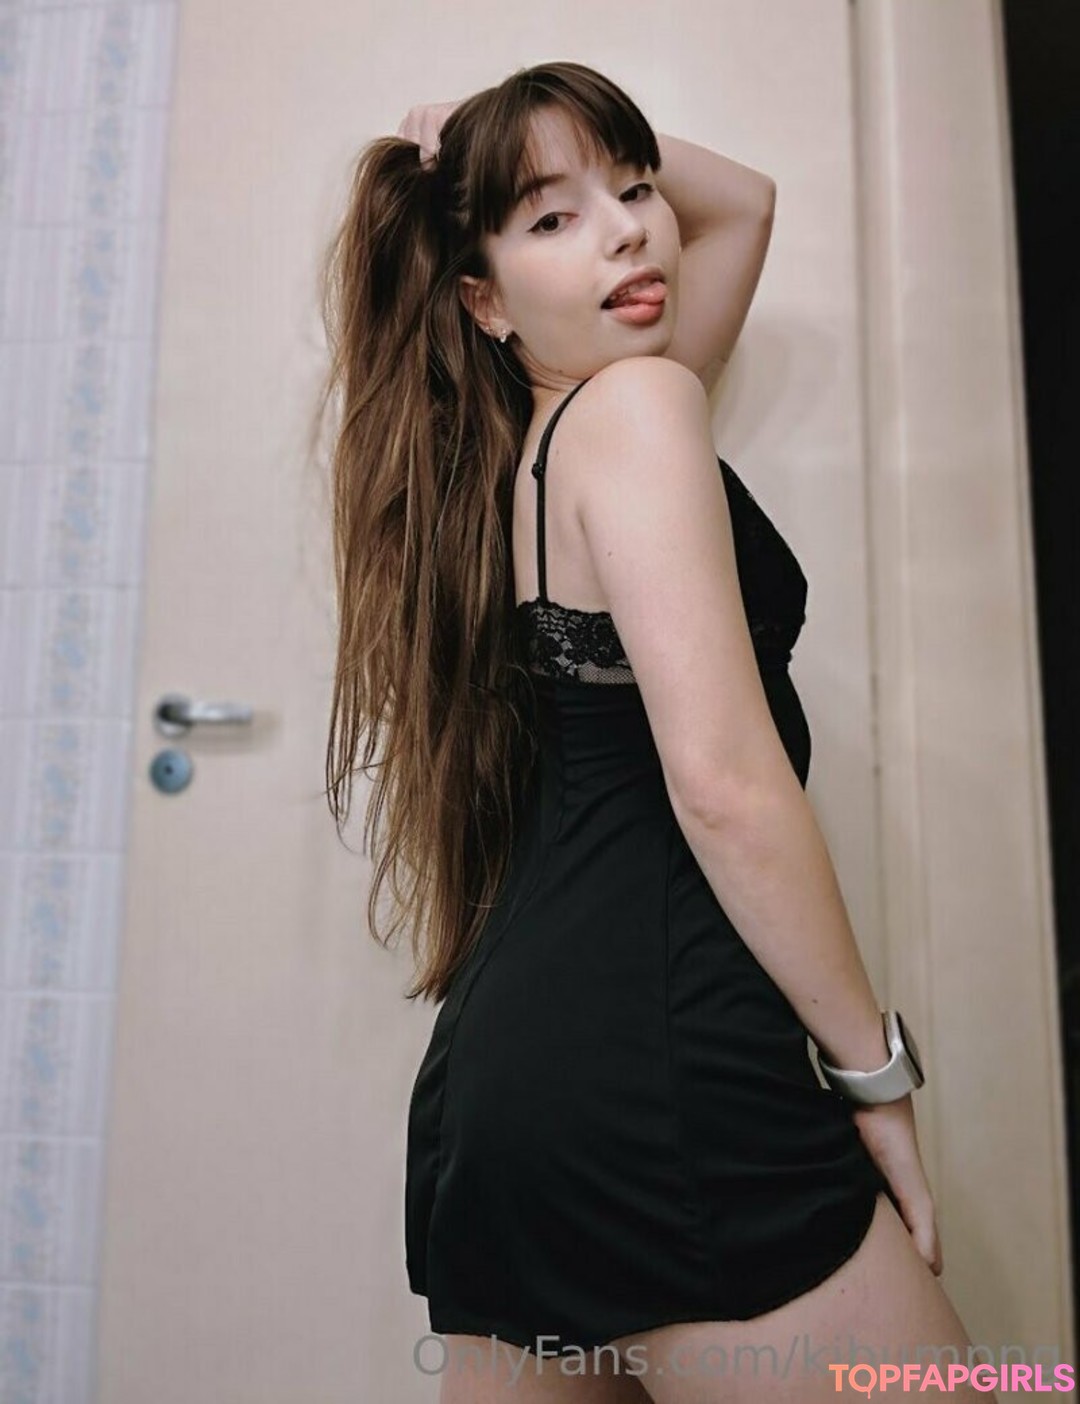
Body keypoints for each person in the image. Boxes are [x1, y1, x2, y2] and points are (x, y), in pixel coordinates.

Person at [316, 61, 998, 1404]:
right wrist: (875, 1076)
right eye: (551, 218)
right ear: (481, 299)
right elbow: (726, 786)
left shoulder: (534, 445)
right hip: (663, 1073)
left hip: (511, 1086)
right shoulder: (636, 411)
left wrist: (505, 134)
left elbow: (741, 205)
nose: (630, 230)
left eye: (633, 191)